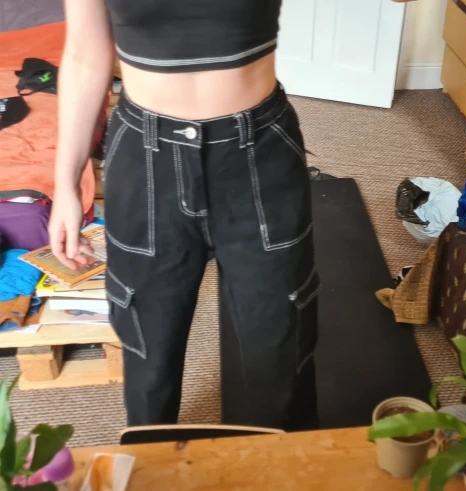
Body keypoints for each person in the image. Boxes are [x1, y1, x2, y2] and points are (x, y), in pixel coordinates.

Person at [49, 0, 319, 430]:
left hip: (258, 155)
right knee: (148, 355)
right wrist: (65, 184)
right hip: (145, 160)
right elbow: (84, 55)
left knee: (280, 346)